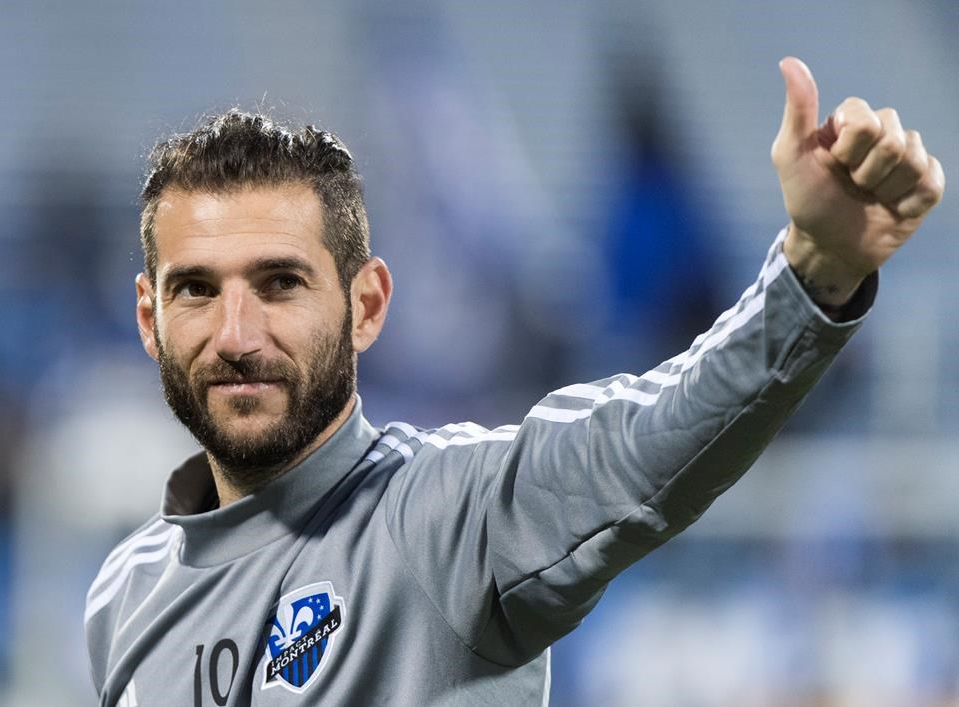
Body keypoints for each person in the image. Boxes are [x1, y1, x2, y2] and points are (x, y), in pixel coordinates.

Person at [85, 57, 944, 706]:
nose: (236, 334)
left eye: (280, 283)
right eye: (196, 288)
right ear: (149, 317)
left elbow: (655, 434)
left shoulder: (443, 519)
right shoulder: (122, 595)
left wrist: (814, 273)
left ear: (367, 305)